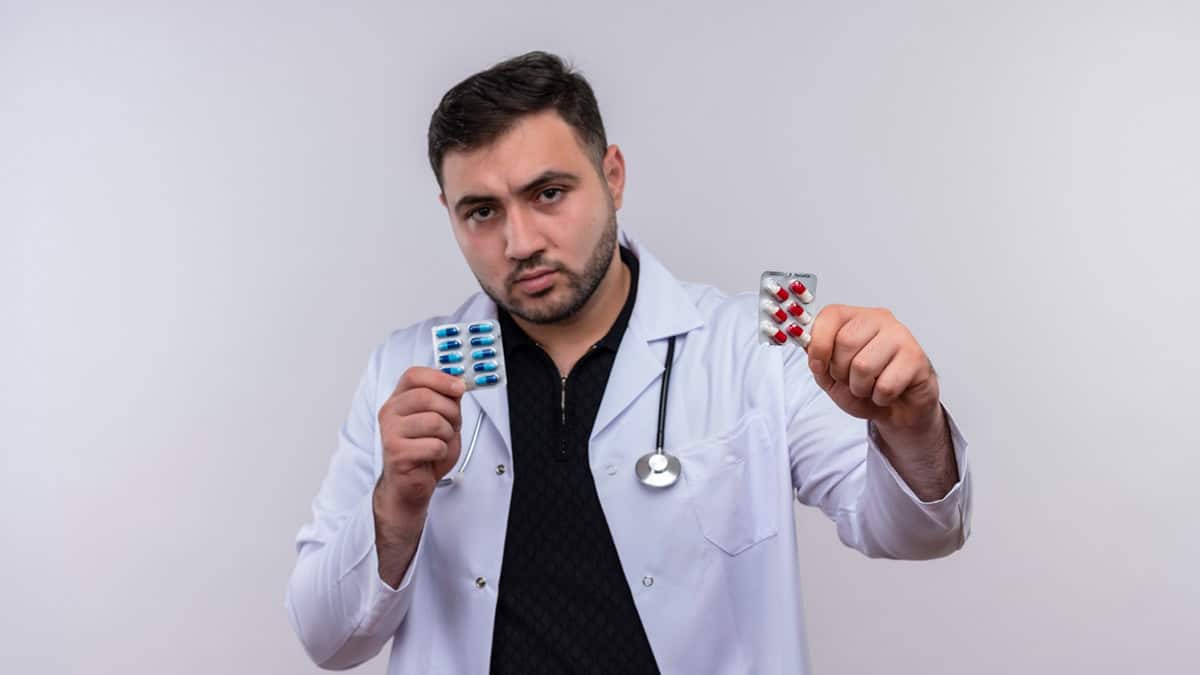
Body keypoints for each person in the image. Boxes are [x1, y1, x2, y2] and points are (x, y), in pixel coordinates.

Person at [285, 50, 972, 674]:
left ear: (612, 176)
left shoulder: (746, 350)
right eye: (481, 211)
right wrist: (396, 504)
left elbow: (917, 531)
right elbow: (327, 639)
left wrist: (912, 426)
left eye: (548, 193)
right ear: (449, 213)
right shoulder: (404, 371)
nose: (519, 241)